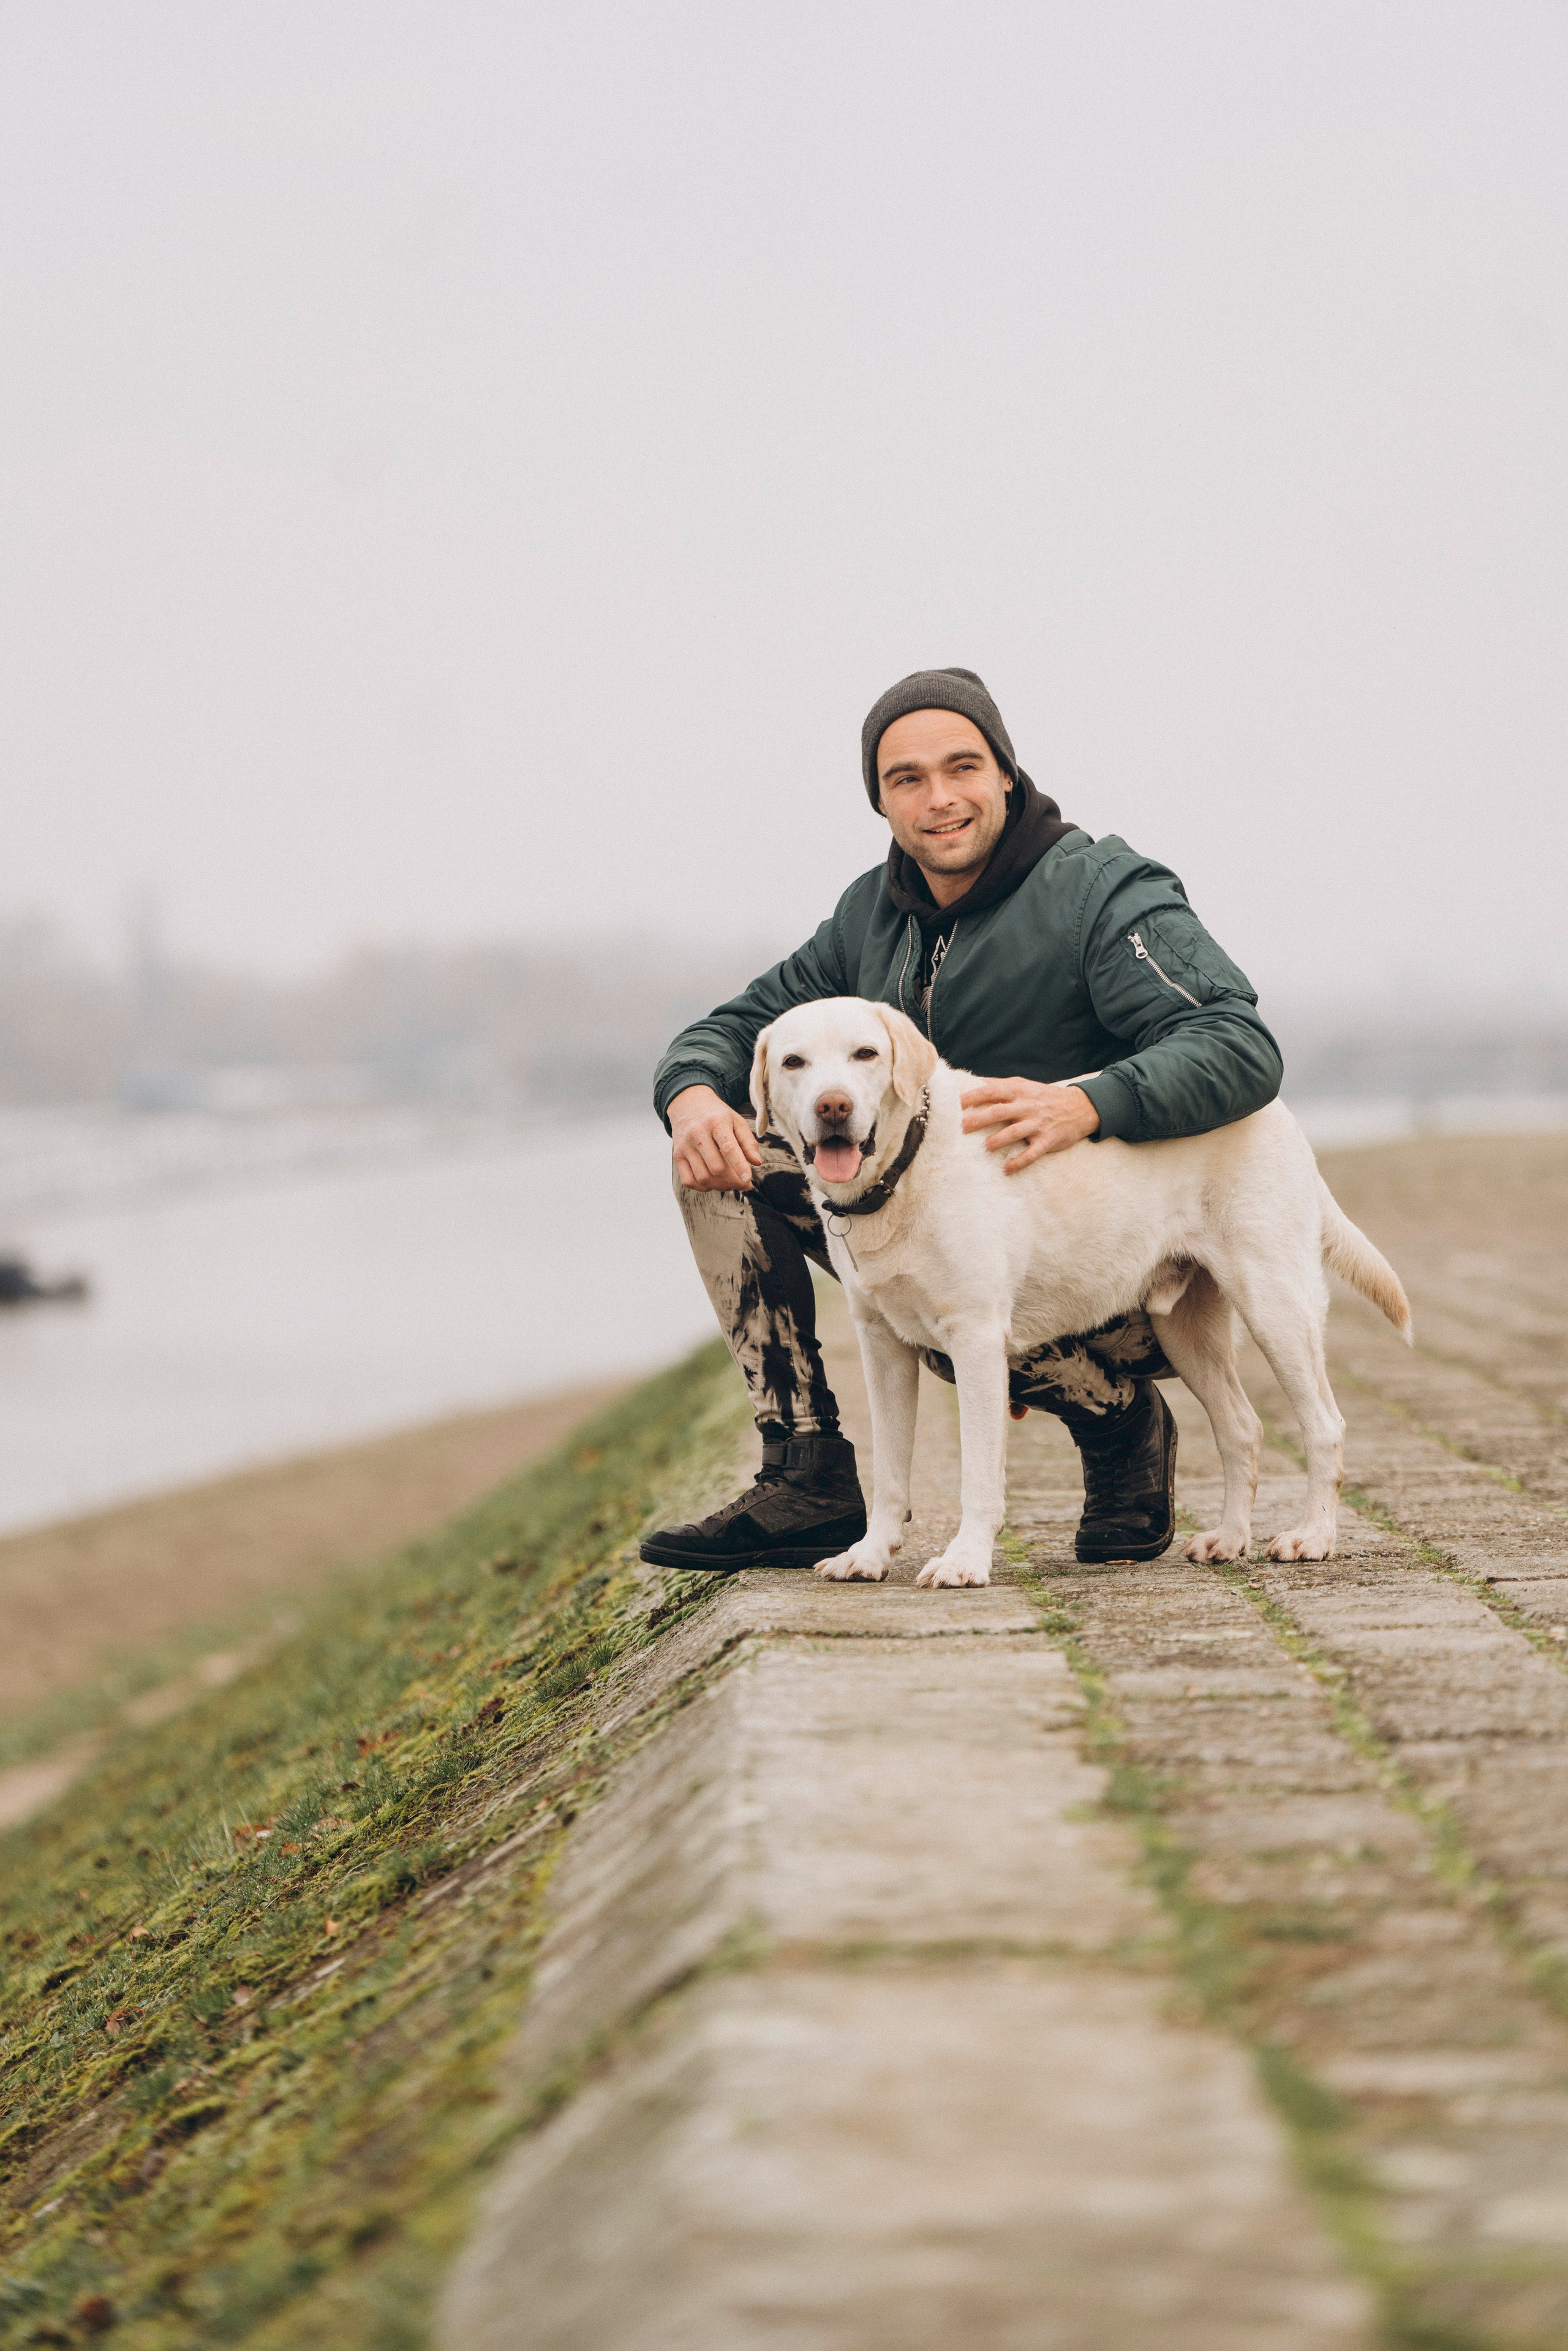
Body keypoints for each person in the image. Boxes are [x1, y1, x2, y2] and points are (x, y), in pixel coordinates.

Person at [643, 666, 1281, 1573]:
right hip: (942, 1243)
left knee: (957, 1286)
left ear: (1007, 774)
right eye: (906, 778)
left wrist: (1092, 1101)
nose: (938, 798)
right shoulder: (869, 916)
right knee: (719, 1164)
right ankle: (808, 1472)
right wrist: (693, 1094)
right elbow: (737, 1028)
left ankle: (1118, 1418)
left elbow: (1237, 1040)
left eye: (962, 767)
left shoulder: (1099, 891)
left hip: (1110, 1265)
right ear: (882, 800)